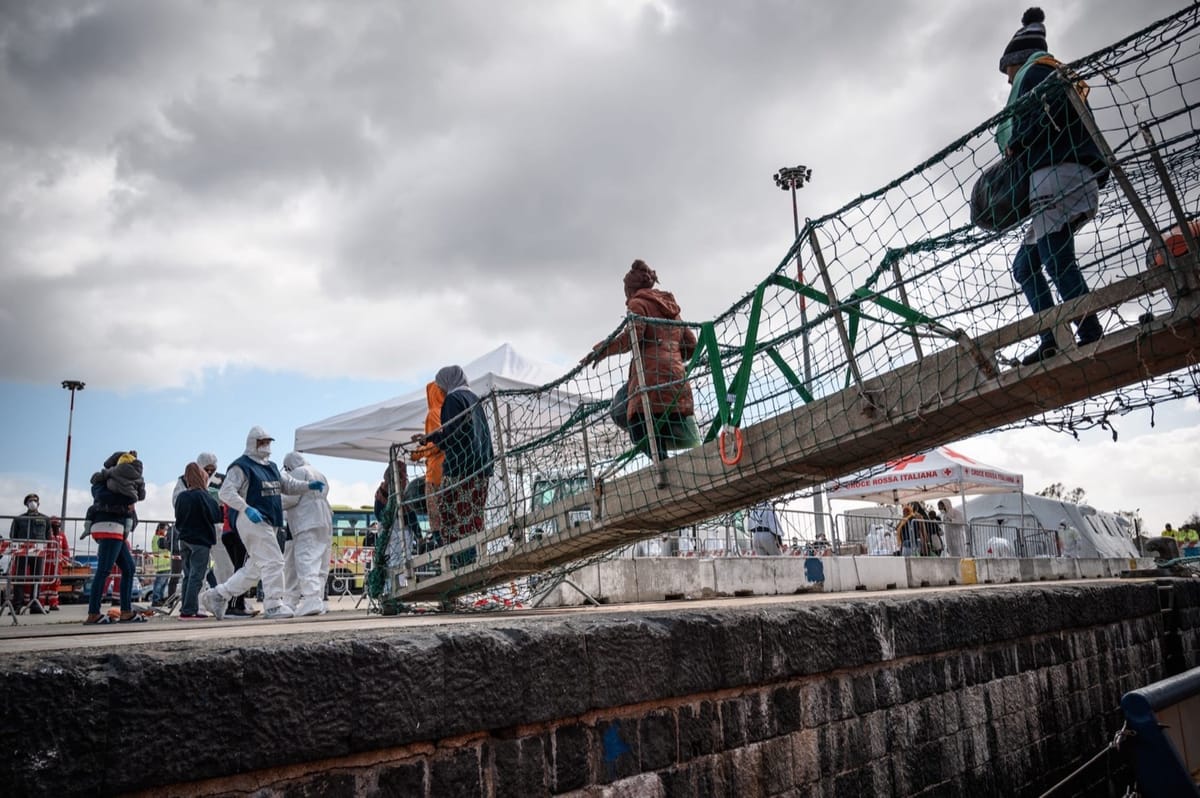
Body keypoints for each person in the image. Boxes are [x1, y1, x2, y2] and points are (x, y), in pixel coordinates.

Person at [996, 8, 1106, 365]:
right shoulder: (1057, 73)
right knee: (1027, 266)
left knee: (1056, 260)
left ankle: (1088, 329)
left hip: (1059, 177)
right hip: (1070, 178)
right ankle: (1050, 337)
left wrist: (1016, 144)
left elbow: (1040, 122)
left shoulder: (1036, 75)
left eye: (1007, 70)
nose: (1008, 81)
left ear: (1018, 60)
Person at [200, 426, 325, 620]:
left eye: (268, 442)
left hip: (269, 521)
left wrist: (307, 486)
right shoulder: (241, 467)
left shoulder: (271, 467)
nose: (266, 446)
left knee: (255, 568)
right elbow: (226, 492)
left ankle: (218, 595)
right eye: (262, 442)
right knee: (275, 561)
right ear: (253, 443)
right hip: (252, 519)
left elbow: (288, 485)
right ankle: (274, 604)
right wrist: (245, 508)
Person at [583, 260, 698, 460]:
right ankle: (662, 460)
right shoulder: (672, 309)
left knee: (622, 411)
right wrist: (671, 356)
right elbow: (691, 346)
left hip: (649, 379)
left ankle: (661, 462)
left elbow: (631, 338)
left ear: (630, 289)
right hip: (676, 381)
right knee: (649, 418)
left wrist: (600, 351)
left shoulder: (638, 303)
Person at [413, 366, 494, 568]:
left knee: (451, 518)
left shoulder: (452, 400)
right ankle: (475, 559)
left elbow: (452, 435)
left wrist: (429, 440)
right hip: (481, 468)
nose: (439, 389)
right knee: (473, 517)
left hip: (460, 469)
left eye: (440, 384)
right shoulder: (474, 398)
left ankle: (460, 566)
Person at [83, 469, 145, 625]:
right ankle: (93, 613)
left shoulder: (119, 484)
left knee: (129, 568)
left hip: (115, 529)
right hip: (110, 527)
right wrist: (126, 502)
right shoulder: (104, 483)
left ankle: (125, 612)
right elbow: (101, 496)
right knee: (104, 570)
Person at [280, 452, 333, 617]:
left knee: (306, 560)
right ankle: (318, 598)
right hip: (325, 521)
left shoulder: (298, 473)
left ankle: (311, 600)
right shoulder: (320, 474)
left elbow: (290, 499)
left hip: (306, 521)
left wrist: (271, 503)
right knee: (321, 564)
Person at [174, 462, 222, 619]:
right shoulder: (205, 496)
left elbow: (178, 518)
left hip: (184, 539)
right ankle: (188, 610)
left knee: (188, 575)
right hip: (200, 540)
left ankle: (189, 608)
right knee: (197, 576)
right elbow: (216, 516)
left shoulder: (181, 497)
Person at [411, 380, 446, 539]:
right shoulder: (447, 411)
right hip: (446, 470)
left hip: (434, 474)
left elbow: (436, 445)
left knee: (435, 516)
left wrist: (417, 452)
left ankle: (440, 543)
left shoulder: (433, 413)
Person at [9, 493, 51, 613]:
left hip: (38, 553)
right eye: (30, 500)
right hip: (22, 553)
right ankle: (17, 605)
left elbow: (48, 536)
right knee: (19, 579)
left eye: (35, 500)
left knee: (36, 578)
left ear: (38, 503)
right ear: (26, 504)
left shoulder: (45, 519)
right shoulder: (19, 519)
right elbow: (13, 535)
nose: (33, 502)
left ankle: (35, 604)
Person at [148, 522, 173, 606]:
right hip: (163, 565)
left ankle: (159, 599)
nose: (166, 531)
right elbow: (165, 547)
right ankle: (156, 599)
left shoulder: (158, 537)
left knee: (163, 584)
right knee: (159, 583)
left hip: (164, 565)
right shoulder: (158, 538)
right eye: (166, 529)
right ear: (161, 529)